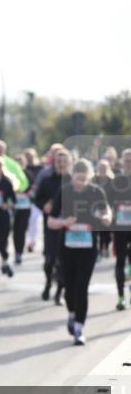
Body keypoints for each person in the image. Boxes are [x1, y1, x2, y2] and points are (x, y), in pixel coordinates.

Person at [47, 159, 112, 345]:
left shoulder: (95, 192)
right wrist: (63, 223)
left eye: (84, 179)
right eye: (77, 178)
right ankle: (72, 313)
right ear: (72, 175)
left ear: (89, 177)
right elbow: (50, 221)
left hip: (88, 247)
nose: (80, 183)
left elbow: (106, 211)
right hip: (67, 247)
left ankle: (79, 328)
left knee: (82, 286)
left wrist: (107, 217)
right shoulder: (64, 191)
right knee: (69, 286)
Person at [34, 148, 71, 304]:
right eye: (58, 161)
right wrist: (45, 205)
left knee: (63, 261)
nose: (61, 164)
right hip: (50, 225)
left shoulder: (73, 181)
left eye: (64, 161)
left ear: (69, 163)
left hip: (69, 227)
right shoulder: (47, 180)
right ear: (54, 162)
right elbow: (37, 199)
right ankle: (48, 283)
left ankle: (59, 292)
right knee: (49, 260)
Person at [107, 148, 131, 310]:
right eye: (127, 161)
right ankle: (121, 296)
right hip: (120, 228)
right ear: (122, 163)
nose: (129, 164)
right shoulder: (116, 181)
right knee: (120, 262)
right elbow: (106, 203)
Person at [11, 153, 36, 265]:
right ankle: (16, 251)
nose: (19, 164)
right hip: (14, 207)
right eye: (17, 162)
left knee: (21, 230)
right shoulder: (11, 175)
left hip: (25, 207)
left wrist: (27, 192)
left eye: (21, 162)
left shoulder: (28, 174)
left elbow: (33, 189)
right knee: (15, 231)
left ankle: (19, 253)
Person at [24, 148, 43, 253]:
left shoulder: (40, 168)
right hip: (28, 199)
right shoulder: (24, 169)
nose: (29, 158)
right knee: (31, 221)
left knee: (36, 221)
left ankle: (34, 241)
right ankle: (31, 241)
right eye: (27, 156)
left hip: (40, 198)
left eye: (31, 156)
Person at [94, 159, 115, 258]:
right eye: (101, 167)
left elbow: (115, 195)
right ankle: (99, 248)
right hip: (97, 207)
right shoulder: (94, 179)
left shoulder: (112, 180)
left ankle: (105, 246)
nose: (102, 169)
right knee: (99, 229)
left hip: (109, 207)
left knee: (107, 229)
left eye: (104, 168)